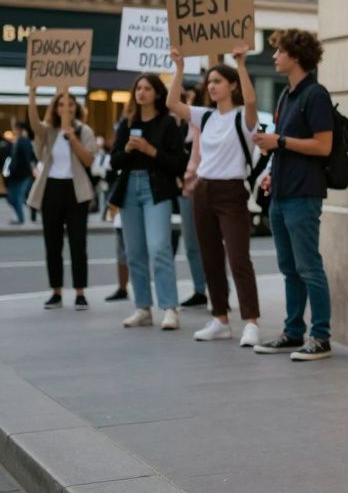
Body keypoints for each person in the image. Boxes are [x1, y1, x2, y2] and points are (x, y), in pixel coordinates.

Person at [167, 46, 263, 346]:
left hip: (232, 191)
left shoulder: (242, 119)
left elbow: (251, 100)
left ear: (231, 85)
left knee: (238, 258)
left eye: (218, 81)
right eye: (209, 81)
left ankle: (251, 322)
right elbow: (172, 102)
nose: (211, 85)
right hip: (203, 190)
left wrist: (241, 63)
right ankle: (220, 318)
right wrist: (179, 68)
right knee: (210, 257)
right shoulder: (204, 116)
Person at [252, 29, 335, 361]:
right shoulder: (287, 96)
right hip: (282, 192)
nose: (274, 56)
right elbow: (282, 144)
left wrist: (280, 142)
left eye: (280, 51)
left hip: (304, 194)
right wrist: (272, 170)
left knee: (309, 266)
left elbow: (323, 145)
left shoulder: (316, 95)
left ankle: (321, 336)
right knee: (288, 267)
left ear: (296, 56)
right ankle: (293, 331)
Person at [110, 73, 187, 330]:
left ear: (157, 93)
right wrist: (129, 150)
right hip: (129, 188)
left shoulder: (167, 123)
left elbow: (178, 163)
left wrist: (149, 149)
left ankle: (169, 308)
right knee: (134, 252)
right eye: (138, 88)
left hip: (157, 189)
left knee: (159, 247)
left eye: (146, 88)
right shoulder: (127, 122)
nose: (141, 92)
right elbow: (114, 162)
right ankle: (143, 307)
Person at [26, 89, 98, 310]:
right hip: (52, 190)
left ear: (76, 108)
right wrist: (32, 94)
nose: (66, 109)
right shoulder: (48, 131)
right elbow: (35, 125)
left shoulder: (83, 130)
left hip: (76, 191)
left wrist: (72, 138)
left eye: (70, 105)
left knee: (78, 243)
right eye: (61, 105)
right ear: (55, 109)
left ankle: (80, 292)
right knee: (52, 244)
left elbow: (88, 160)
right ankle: (56, 291)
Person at [176, 84, 209, 309]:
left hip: (204, 186)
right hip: (184, 189)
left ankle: (219, 289)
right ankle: (200, 289)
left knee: (210, 241)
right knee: (190, 244)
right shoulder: (175, 125)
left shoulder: (203, 122)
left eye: (191, 97)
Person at [5, 119, 36, 225]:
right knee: (12, 197)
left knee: (17, 197)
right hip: (16, 174)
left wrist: (32, 170)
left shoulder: (24, 142)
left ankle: (21, 218)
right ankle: (21, 217)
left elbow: (29, 159)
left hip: (22, 174)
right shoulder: (17, 141)